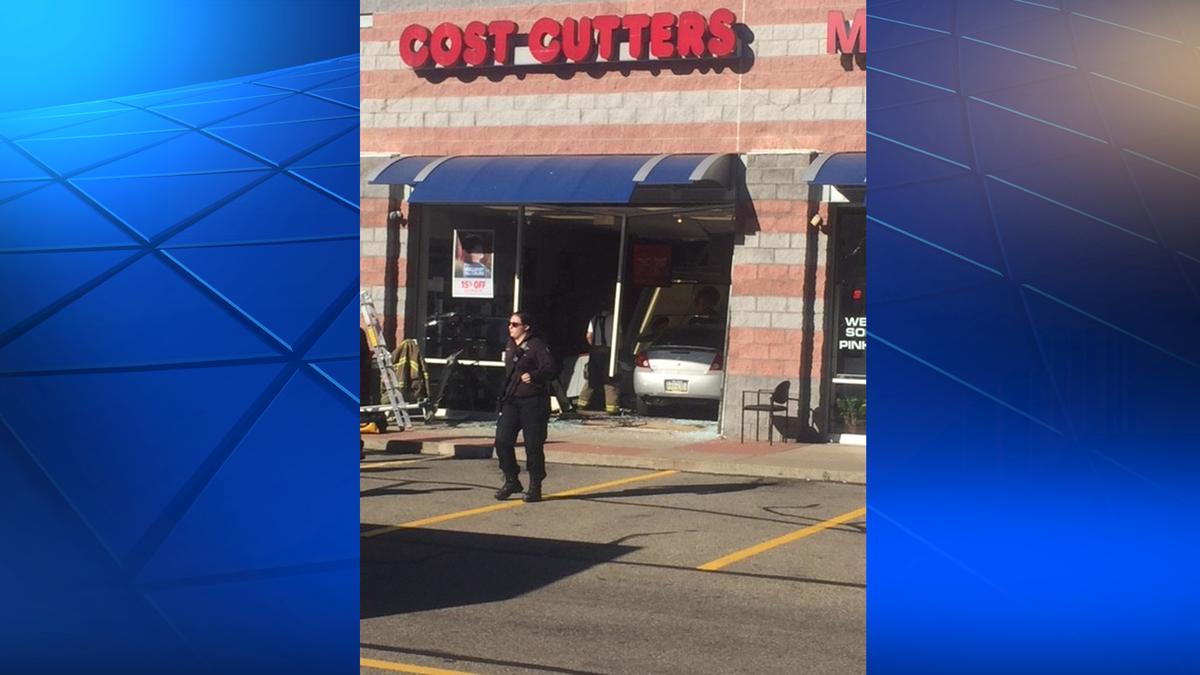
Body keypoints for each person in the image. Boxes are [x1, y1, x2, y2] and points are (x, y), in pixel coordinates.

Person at [493, 311, 557, 503]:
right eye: (509, 324)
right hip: (512, 400)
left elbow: (551, 369)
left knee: (533, 446)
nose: (510, 327)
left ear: (526, 327)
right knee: (502, 441)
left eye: (515, 324)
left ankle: (535, 486)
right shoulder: (510, 344)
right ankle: (511, 479)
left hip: (533, 402)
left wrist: (535, 375)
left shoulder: (536, 346)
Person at [578, 302, 619, 414]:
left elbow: (589, 336)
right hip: (609, 351)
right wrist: (618, 349)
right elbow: (619, 337)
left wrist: (594, 346)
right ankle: (612, 408)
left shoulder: (594, 318)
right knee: (610, 379)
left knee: (592, 378)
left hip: (595, 351)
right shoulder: (614, 318)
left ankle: (582, 403)